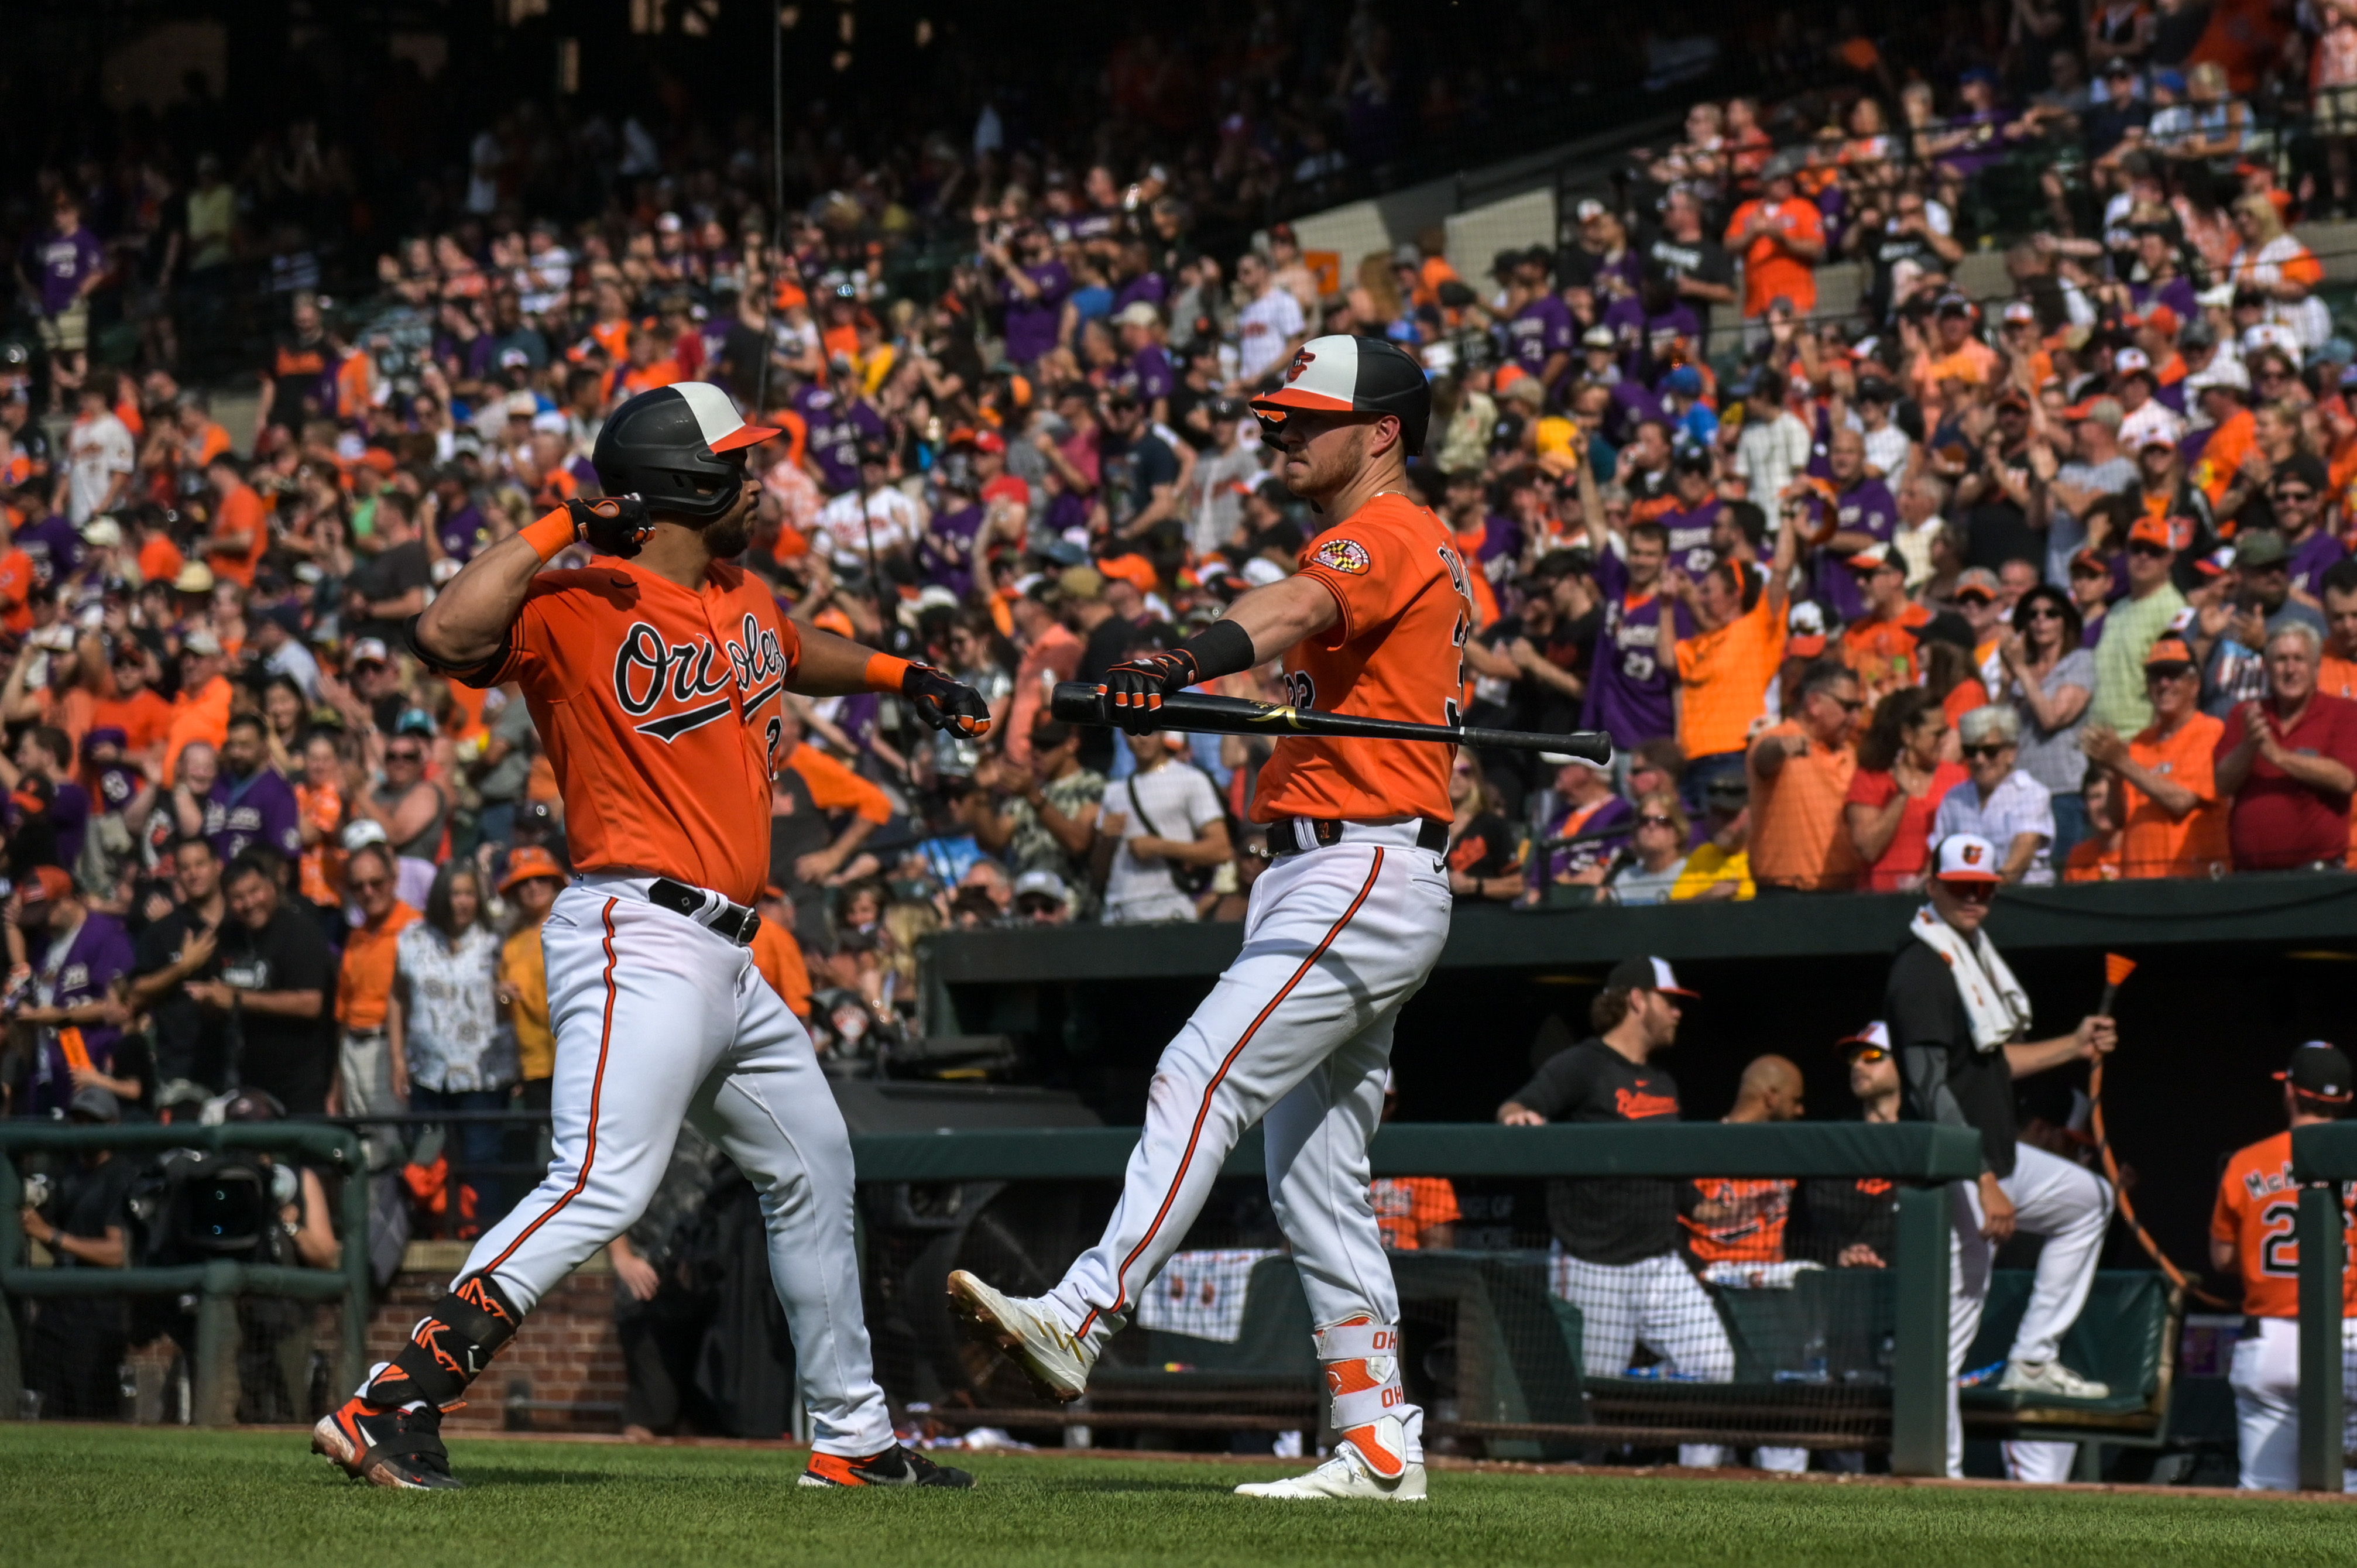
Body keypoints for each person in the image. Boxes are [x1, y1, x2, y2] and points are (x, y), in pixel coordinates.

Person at [328, 382, 989, 1491]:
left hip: (730, 952)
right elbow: (442, 629)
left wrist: (901, 674)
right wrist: (563, 521)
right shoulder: (576, 596)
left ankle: (853, 1434)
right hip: (637, 923)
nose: (759, 478)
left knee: (814, 1161)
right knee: (600, 1182)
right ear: (686, 486)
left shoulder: (740, 592)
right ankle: (392, 1399)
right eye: (738, 463)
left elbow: (791, 646)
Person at [948, 336, 1466, 1502]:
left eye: (1304, 417)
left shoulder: (1384, 529)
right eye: (1273, 416)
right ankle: (1378, 1437)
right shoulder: (1399, 537)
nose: (1279, 433)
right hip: (1343, 868)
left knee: (1199, 1073)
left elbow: (1289, 603)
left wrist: (1192, 655)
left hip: (1360, 869)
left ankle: (1085, 1306)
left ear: (1379, 430)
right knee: (1318, 1179)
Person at [1888, 833, 2119, 1481]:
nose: (1972, 898)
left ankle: (2033, 1356)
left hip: (1994, 1156)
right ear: (1931, 884)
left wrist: (2072, 1046)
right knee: (1946, 1337)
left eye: (1982, 888)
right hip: (1953, 1168)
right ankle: (1938, 1476)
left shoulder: (1970, 956)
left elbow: (1988, 1069)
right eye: (1960, 886)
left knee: (2089, 1200)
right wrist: (1985, 1177)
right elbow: (1928, 1087)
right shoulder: (1923, 966)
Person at [1495, 956, 1737, 1470]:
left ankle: (1700, 1482)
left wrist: (1706, 1207)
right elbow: (1516, 1105)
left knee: (1714, 1365)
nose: (1677, 1013)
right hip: (1592, 1260)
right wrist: (1520, 1115)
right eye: (1670, 1001)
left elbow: (1672, 1174)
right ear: (1637, 999)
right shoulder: (1583, 1063)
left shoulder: (1662, 1082)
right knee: (1590, 1401)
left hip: (1657, 1260)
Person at [2209, 1042, 2357, 1494]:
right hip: (2348, 1335)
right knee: (2349, 1490)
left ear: (2290, 1092)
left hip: (2270, 1337)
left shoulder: (2248, 1161)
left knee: (2266, 1494)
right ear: (2345, 1101)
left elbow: (2222, 1258)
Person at [392, 860, 515, 1230]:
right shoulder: (413, 938)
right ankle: (434, 1234)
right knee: (427, 1159)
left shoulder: (496, 941)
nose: (461, 902)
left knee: (481, 1158)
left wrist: (505, 1000)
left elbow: (513, 998)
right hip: (428, 1070)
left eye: (466, 894)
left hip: (484, 1070)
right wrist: (396, 1057)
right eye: (453, 894)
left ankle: (482, 1237)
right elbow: (397, 998)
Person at [13, 1085, 134, 1419]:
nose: (84, 1129)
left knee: (94, 1419)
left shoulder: (121, 1176)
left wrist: (51, 1235)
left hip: (97, 1320)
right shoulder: (67, 1172)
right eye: (78, 1120)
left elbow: (116, 1253)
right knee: (51, 1419)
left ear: (112, 1125)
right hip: (56, 1316)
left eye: (92, 1121)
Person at [198, 851, 338, 1116]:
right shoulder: (228, 937)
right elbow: (218, 994)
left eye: (255, 892)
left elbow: (311, 1004)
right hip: (249, 1078)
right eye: (238, 898)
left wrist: (239, 999)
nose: (249, 903)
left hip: (301, 1081)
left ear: (272, 888)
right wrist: (209, 1000)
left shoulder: (300, 932)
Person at [2078, 636, 2230, 878]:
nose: (2164, 684)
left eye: (2174, 674)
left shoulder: (2210, 731)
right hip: (2139, 880)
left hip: (2190, 877)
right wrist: (2115, 776)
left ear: (2195, 684)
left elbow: (2182, 801)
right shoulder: (2141, 741)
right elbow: (2118, 819)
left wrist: (2123, 763)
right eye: (2156, 676)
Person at [2214, 625, 2357, 870]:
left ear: (2316, 668)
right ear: (2267, 668)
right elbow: (2222, 783)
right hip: (2250, 876)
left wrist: (2279, 756)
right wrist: (2249, 746)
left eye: (2299, 660)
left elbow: (2345, 779)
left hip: (2316, 874)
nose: (2290, 670)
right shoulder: (2246, 715)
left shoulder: (2343, 712)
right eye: (2281, 660)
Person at [330, 843, 416, 1172]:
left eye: (376, 883)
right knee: (364, 1151)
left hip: (389, 1049)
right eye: (358, 886)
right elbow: (344, 1009)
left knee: (393, 1149)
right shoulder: (356, 936)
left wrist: (402, 1058)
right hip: (353, 1049)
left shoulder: (414, 929)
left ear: (394, 880)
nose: (368, 892)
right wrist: (336, 1082)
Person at [1748, 661, 1867, 892]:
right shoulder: (1776, 739)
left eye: (1859, 708)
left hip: (1844, 894)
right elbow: (1763, 758)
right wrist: (1782, 748)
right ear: (1814, 703)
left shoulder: (1851, 753)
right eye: (1848, 707)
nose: (1856, 718)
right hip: (1785, 894)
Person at [1998, 586, 2097, 863]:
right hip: (2021, 791)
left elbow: (2051, 718)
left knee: (2062, 873)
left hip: (2062, 790)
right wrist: (2008, 682)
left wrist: (2021, 671)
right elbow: (1998, 726)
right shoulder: (2023, 669)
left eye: (2051, 614)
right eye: (2033, 615)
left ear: (2065, 621)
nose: (2041, 620)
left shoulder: (2079, 662)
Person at [1095, 728, 1229, 925]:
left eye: (1150, 731)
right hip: (1119, 911)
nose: (1142, 739)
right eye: (1134, 732)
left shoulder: (1191, 780)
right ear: (1123, 735)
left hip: (1170, 909)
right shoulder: (1114, 791)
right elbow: (1098, 874)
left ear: (1164, 732)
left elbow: (1222, 849)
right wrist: (1105, 840)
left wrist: (1159, 847)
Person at [1846, 688, 1966, 893]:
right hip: (1882, 902)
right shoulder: (1871, 778)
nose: (1945, 740)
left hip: (1940, 899)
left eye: (1946, 731)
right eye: (1937, 734)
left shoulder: (1957, 776)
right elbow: (1868, 849)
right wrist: (1902, 796)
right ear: (1908, 735)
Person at [1932, 705, 2056, 885]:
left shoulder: (2032, 793)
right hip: (1968, 902)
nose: (1980, 760)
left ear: (2011, 752)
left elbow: (2019, 860)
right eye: (1971, 751)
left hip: (2026, 899)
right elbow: (1939, 857)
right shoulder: (1954, 799)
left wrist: (1983, 891)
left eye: (1990, 751)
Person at [496, 846, 566, 1113]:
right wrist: (501, 994)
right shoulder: (512, 944)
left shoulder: (572, 927)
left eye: (541, 878)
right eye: (523, 882)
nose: (533, 887)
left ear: (556, 882)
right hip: (534, 1062)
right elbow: (505, 1010)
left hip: (577, 1056)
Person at [1603, 792, 1692, 905]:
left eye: (1661, 820)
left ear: (1678, 832)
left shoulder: (1690, 872)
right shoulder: (1626, 878)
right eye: (1644, 820)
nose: (1651, 825)